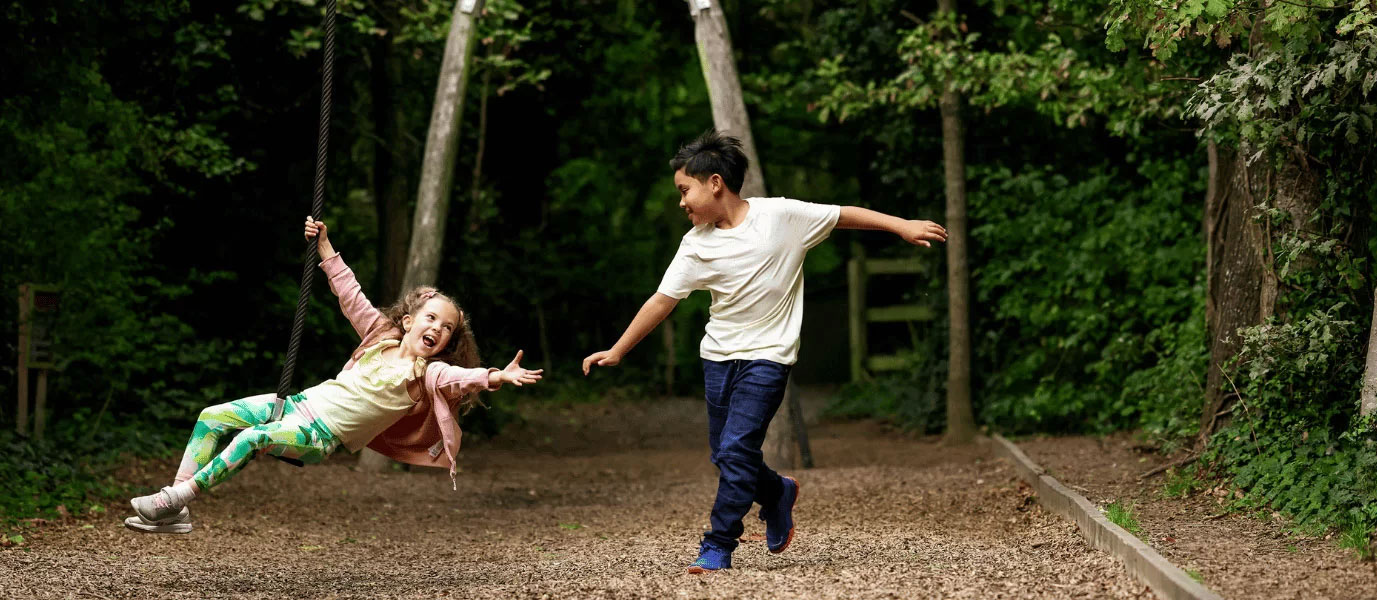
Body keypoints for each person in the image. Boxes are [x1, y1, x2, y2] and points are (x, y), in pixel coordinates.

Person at [582, 130, 948, 572]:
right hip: (717, 357)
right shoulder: (696, 244)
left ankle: (718, 543)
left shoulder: (781, 217)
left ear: (715, 183)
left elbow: (842, 214)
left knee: (736, 450)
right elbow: (663, 300)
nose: (681, 202)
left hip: (769, 358)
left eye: (685, 190)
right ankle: (776, 492)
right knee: (725, 454)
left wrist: (900, 225)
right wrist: (619, 350)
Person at [126, 217, 542, 534]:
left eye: (447, 328)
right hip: (295, 406)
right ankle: (175, 510)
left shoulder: (426, 374)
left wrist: (495, 377)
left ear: (447, 341)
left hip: (319, 437)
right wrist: (324, 245)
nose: (437, 328)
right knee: (212, 416)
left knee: (251, 439)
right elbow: (351, 294)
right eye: (431, 318)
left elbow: (458, 379)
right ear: (411, 319)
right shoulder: (379, 336)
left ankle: (176, 497)